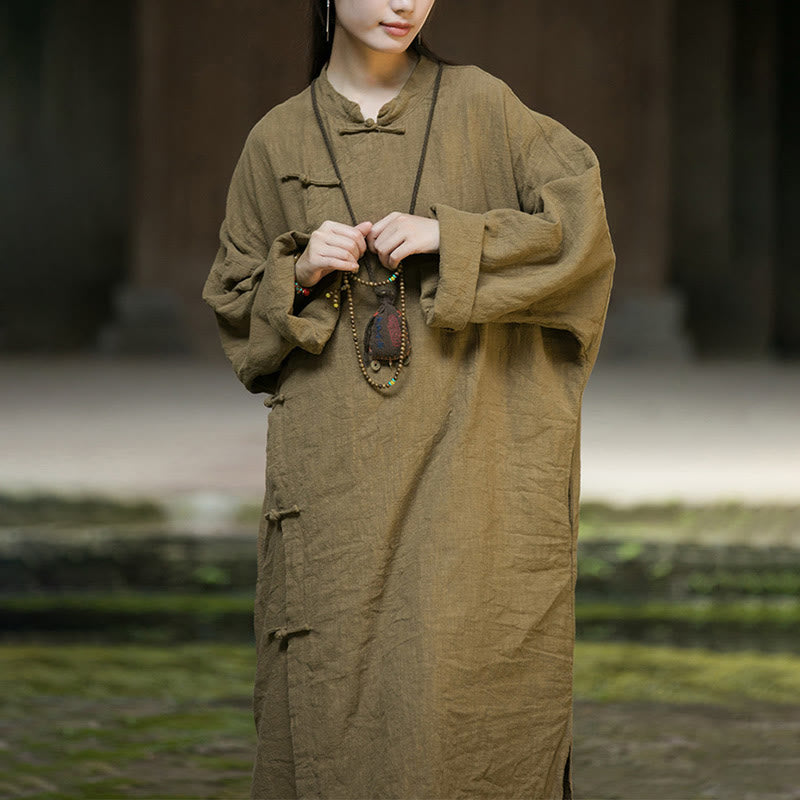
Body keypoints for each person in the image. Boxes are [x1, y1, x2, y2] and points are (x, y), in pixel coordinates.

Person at [202, 1, 615, 797]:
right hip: (336, 493)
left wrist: (452, 239)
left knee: (466, 702)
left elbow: (580, 230)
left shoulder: (484, 107)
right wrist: (300, 271)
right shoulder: (278, 138)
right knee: (331, 715)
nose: (404, 3)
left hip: (471, 479)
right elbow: (235, 303)